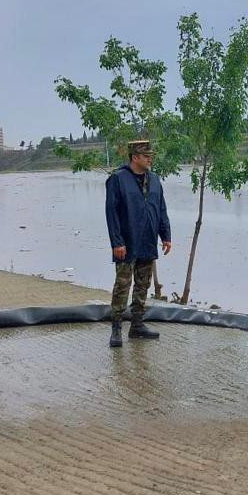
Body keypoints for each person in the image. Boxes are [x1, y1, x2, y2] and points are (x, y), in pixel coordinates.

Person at [105, 139, 172, 348]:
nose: (150, 159)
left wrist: (166, 235)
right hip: (126, 242)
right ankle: (116, 328)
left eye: (151, 156)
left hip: (148, 241)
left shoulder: (155, 180)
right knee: (122, 285)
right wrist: (117, 242)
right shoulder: (118, 179)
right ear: (135, 157)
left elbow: (161, 208)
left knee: (143, 285)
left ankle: (137, 325)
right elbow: (111, 213)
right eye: (146, 156)